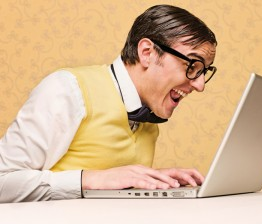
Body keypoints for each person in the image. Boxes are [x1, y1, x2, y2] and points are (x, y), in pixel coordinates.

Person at [0, 4, 217, 202]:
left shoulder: (150, 114)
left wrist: (150, 181)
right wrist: (89, 180)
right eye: (193, 65)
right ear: (147, 53)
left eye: (204, 71)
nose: (200, 85)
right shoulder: (66, 89)